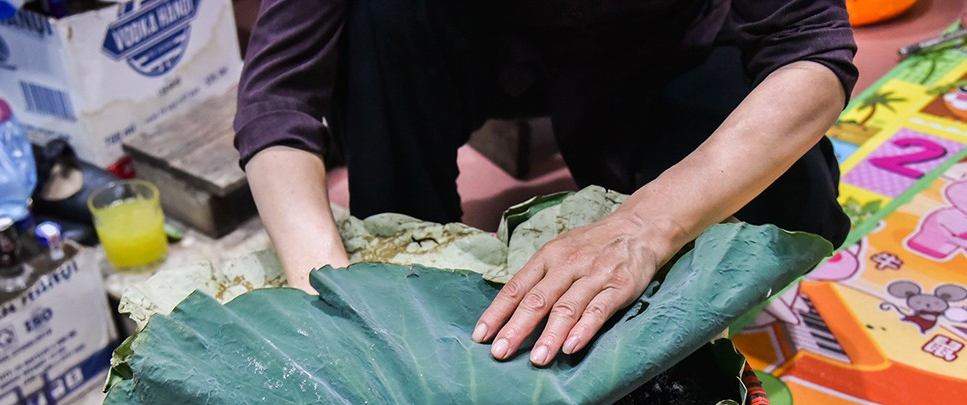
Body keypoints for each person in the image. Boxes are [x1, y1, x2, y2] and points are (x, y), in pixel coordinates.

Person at [234, 0, 857, 367]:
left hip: (653, 34)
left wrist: (644, 226)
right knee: (381, 14)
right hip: (465, 31)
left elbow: (809, 49)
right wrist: (325, 283)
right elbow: (278, 93)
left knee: (785, 207)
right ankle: (406, 265)